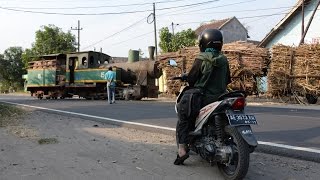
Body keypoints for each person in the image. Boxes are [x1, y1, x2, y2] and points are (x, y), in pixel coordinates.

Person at [174, 29, 231, 165]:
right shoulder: (224, 59)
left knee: (183, 116)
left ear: (204, 43)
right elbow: (228, 80)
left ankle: (182, 150)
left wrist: (186, 77)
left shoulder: (201, 58)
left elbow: (192, 79)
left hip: (203, 99)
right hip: (220, 98)